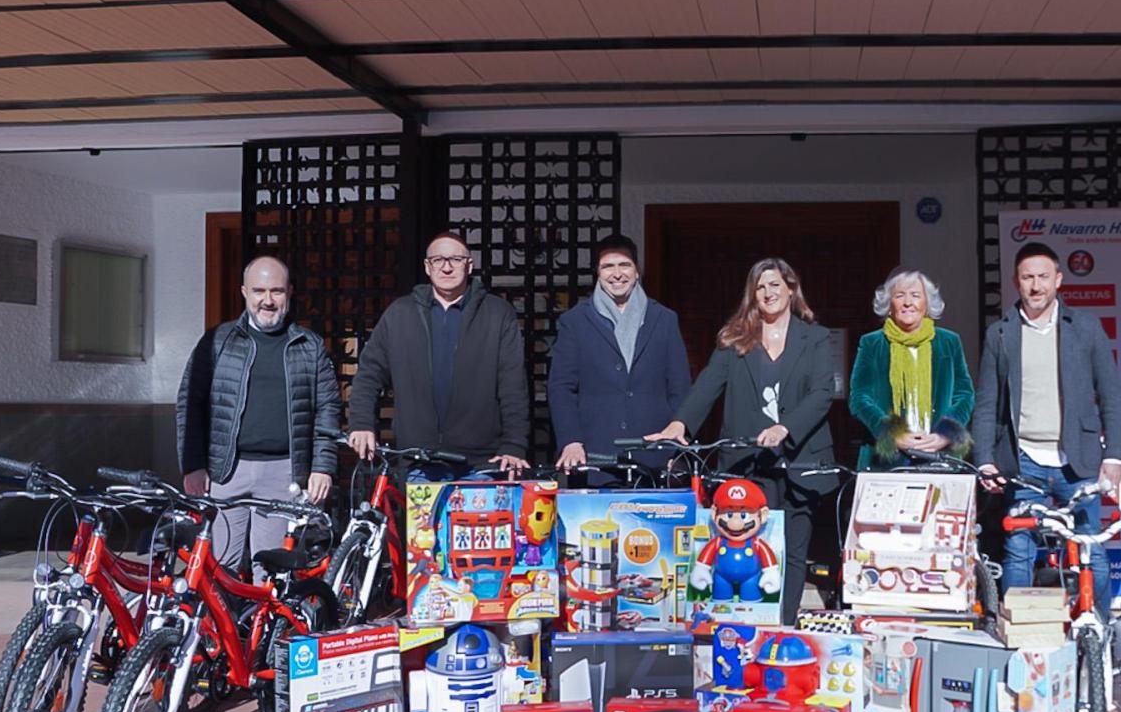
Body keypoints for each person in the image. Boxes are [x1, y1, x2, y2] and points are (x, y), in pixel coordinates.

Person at [647, 258, 838, 625]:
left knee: (793, 552)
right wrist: (680, 423)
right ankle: (744, 627)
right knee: (745, 548)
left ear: (791, 289)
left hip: (800, 461)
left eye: (775, 285)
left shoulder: (815, 338)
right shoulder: (736, 338)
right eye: (760, 287)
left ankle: (782, 626)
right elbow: (707, 385)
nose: (768, 293)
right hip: (749, 463)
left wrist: (786, 428)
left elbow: (821, 393)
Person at [972, 243, 1121, 595]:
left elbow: (1111, 394)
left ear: (1058, 279)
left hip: (1078, 462)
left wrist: (1115, 456)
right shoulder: (1000, 334)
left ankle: (1096, 626)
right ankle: (1018, 626)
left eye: (1043, 277)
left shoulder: (1085, 327)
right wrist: (985, 461)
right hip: (1024, 462)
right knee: (1019, 551)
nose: (1036, 286)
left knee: (1091, 552)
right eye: (1028, 278)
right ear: (1016, 282)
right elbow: (987, 404)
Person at [176, 256, 341, 576]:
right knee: (220, 570)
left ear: (289, 293)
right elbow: (190, 402)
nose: (268, 300)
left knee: (270, 572)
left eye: (276, 291)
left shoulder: (309, 346)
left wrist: (322, 467)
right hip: (225, 471)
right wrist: (193, 463)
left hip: (282, 473)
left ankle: (261, 612)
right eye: (259, 291)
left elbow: (327, 409)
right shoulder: (218, 341)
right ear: (244, 292)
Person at [347, 232, 530, 481]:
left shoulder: (498, 314)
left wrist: (514, 445)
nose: (446, 267)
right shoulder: (400, 314)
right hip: (419, 461)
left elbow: (513, 385)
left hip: (481, 463)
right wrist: (361, 424)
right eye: (438, 260)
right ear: (427, 266)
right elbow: (369, 374)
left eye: (455, 259)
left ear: (469, 265)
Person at [549, 233, 691, 480]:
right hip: (594, 452)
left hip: (654, 449)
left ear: (637, 271)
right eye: (608, 266)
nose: (617, 274)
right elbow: (561, 387)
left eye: (624, 265)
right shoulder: (575, 321)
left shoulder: (664, 319)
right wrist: (570, 440)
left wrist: (676, 445)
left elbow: (680, 386)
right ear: (597, 272)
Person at [848, 268, 974, 470]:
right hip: (886, 462)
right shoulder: (871, 343)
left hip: (940, 456)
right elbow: (859, 398)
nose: (908, 302)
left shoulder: (949, 341)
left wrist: (945, 434)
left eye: (915, 295)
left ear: (927, 305)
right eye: (899, 296)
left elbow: (964, 394)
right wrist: (891, 434)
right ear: (889, 305)